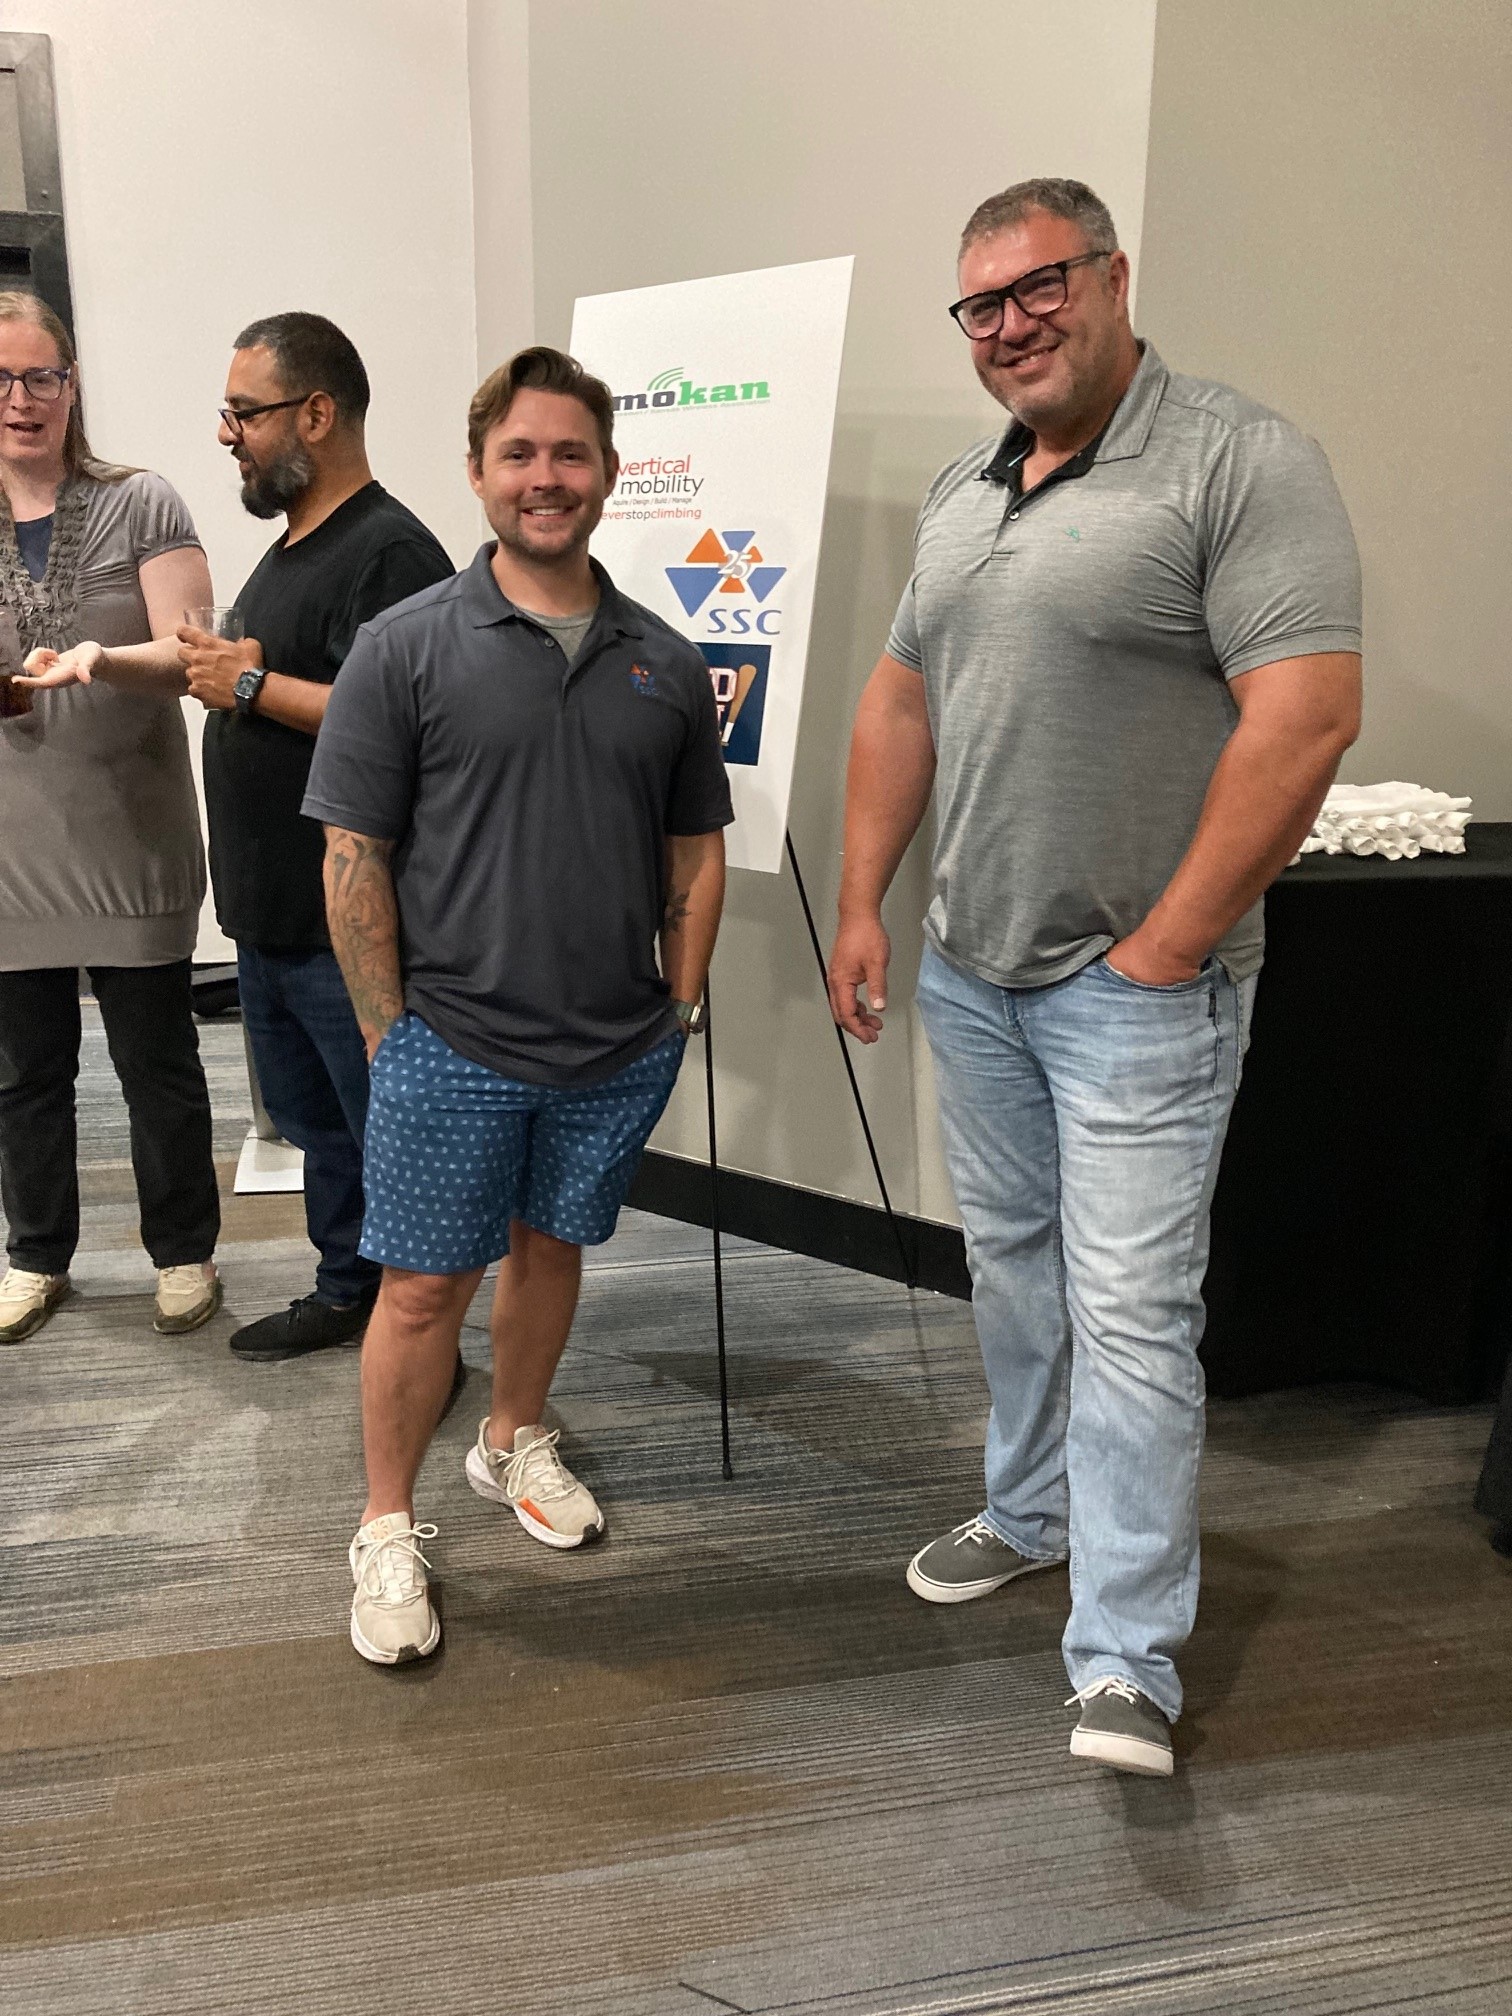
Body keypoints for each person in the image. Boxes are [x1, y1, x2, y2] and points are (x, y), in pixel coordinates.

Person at [827, 179, 1363, 1776]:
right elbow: (899, 704)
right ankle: (1030, 1507)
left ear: (1115, 277)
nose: (1010, 326)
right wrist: (863, 903)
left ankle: (1126, 1654)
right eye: (981, 305)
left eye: (1039, 286)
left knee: (1132, 1312)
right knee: (1011, 1268)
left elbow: (1307, 716)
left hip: (1136, 993)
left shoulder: (1238, 459)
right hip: (971, 972)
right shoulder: (966, 488)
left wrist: (1168, 945)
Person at [302, 346, 732, 1665]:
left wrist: (679, 1008)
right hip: (452, 1041)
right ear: (480, 471)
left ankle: (511, 1438)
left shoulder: (665, 661)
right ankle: (385, 1523)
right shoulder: (405, 648)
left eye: (571, 454)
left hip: (612, 1046)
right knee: (423, 1291)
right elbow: (354, 854)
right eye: (521, 454)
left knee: (553, 1252)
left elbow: (696, 852)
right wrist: (387, 1029)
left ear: (608, 472)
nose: (547, 478)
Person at [182, 313, 454, 1361]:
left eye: (243, 413)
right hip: (275, 917)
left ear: (317, 413)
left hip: (350, 925)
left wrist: (249, 684)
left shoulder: (391, 553)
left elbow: (410, 717)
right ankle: (350, 1290)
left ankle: (420, 1336)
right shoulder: (292, 550)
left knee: (389, 1134)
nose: (228, 435)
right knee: (320, 1125)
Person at [1, 290, 221, 1343]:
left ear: (72, 384)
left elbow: (197, 655)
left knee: (156, 1065)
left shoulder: (143, 501)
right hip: (10, 848)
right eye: (2, 379)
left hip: (130, 836)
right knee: (24, 1074)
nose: (21, 398)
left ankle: (182, 1251)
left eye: (41, 376)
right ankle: (35, 1254)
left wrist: (102, 658)